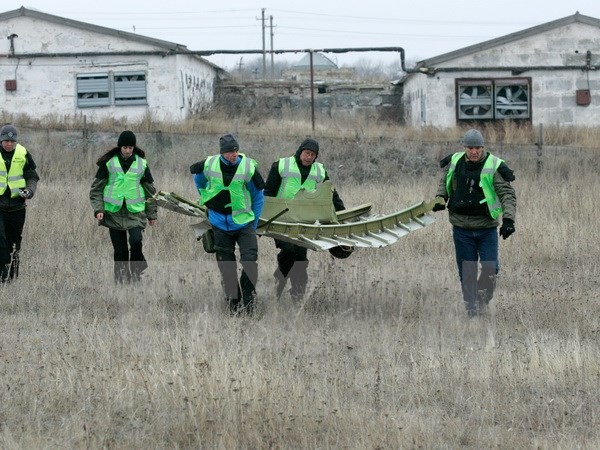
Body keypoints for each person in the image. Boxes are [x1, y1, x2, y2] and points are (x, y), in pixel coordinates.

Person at [432, 128, 516, 318]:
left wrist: (508, 220)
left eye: (477, 147)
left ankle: (482, 301)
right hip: (461, 228)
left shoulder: (493, 165)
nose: (474, 151)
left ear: (482, 147)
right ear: (465, 148)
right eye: (470, 147)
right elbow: (444, 181)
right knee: (467, 272)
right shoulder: (455, 162)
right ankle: (472, 311)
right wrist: (439, 198)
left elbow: (507, 194)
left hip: (486, 229)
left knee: (490, 268)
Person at [190, 133, 265, 315]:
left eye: (236, 150)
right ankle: (234, 307)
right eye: (231, 152)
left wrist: (253, 224)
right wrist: (207, 197)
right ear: (222, 153)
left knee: (250, 262)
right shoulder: (209, 165)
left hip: (244, 223)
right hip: (219, 224)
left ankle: (249, 302)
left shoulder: (247, 167)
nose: (234, 154)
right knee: (227, 268)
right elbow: (198, 180)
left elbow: (258, 196)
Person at [264, 137, 345, 301]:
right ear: (300, 152)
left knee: (300, 259)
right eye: (307, 153)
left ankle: (297, 297)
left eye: (313, 155)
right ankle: (277, 288)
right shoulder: (281, 165)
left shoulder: (319, 171)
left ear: (316, 157)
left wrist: (342, 214)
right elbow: (268, 193)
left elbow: (331, 194)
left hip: (304, 222)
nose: (309, 157)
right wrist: (263, 218)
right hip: (281, 220)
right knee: (288, 251)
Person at [90, 130, 157, 283]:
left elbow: (150, 191)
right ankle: (121, 282)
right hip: (113, 212)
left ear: (134, 147)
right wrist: (99, 209)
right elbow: (96, 189)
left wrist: (152, 214)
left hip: (135, 212)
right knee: (120, 250)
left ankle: (136, 275)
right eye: (125, 147)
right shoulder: (109, 163)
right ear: (120, 147)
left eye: (130, 147)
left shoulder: (142, 163)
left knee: (135, 241)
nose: (128, 150)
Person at [0, 124, 40, 283]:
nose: (9, 144)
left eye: (12, 141)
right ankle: (2, 277)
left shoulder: (23, 153)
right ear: (1, 141)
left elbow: (32, 176)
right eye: (6, 140)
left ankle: (12, 278)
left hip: (17, 206)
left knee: (14, 243)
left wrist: (29, 191)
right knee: (0, 241)